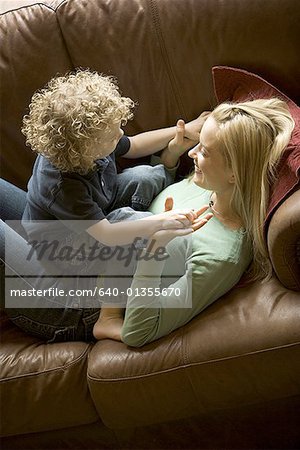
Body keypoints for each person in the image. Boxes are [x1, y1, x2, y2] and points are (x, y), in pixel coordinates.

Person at [1, 97, 294, 346]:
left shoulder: (221, 255)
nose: (193, 152)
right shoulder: (205, 184)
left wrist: (154, 249)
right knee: (141, 181)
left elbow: (140, 330)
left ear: (235, 173)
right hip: (80, 246)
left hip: (75, 302)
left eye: (204, 150)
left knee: (128, 215)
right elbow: (150, 193)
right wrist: (170, 155)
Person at [0, 69, 210, 342]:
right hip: (64, 286)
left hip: (70, 236)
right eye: (112, 136)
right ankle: (107, 315)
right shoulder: (63, 185)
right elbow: (107, 234)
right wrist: (163, 222)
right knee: (124, 220)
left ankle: (155, 190)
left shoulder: (87, 143)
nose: (120, 134)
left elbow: (133, 145)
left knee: (142, 177)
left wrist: (184, 130)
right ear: (83, 151)